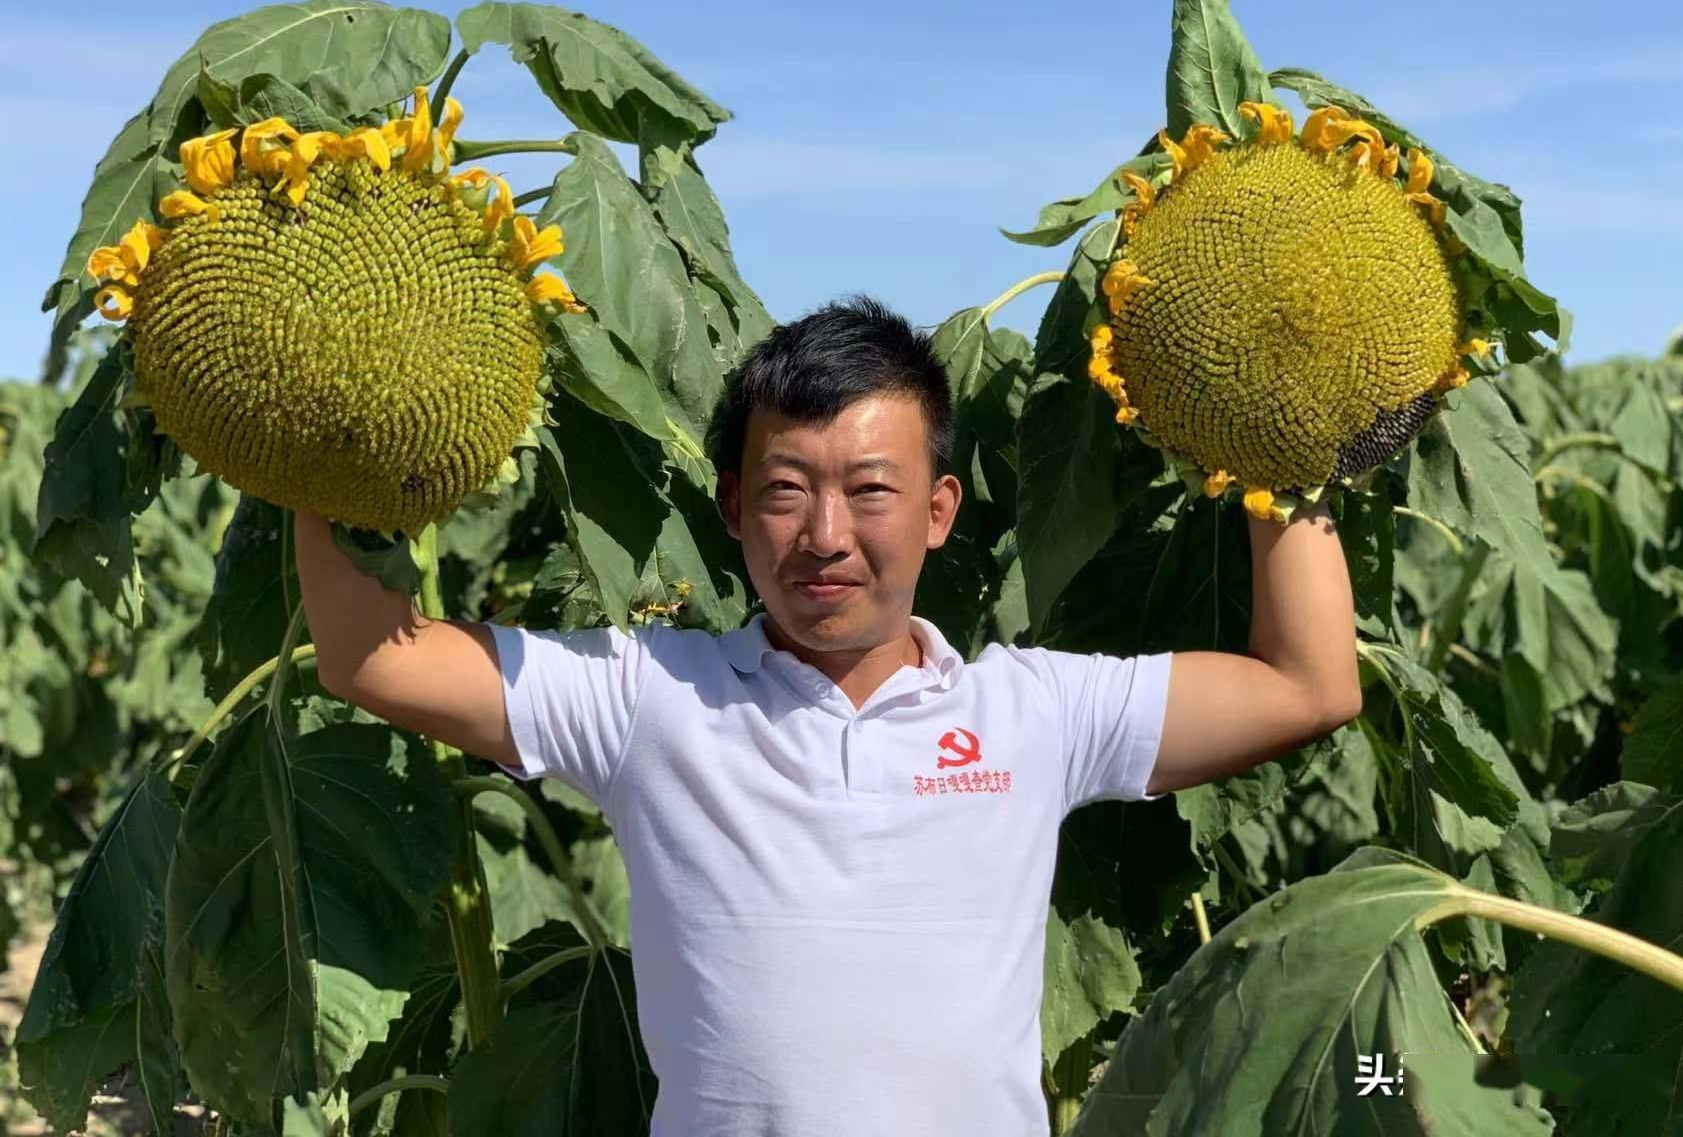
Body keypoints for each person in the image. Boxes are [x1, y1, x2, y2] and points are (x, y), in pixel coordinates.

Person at [295, 296, 1362, 1136]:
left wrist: (1284, 444)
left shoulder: (1032, 709)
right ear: (730, 509)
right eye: (785, 488)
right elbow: (367, 656)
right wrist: (306, 441)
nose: (824, 533)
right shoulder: (645, 696)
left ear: (940, 512)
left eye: (869, 489)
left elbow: (1306, 686)